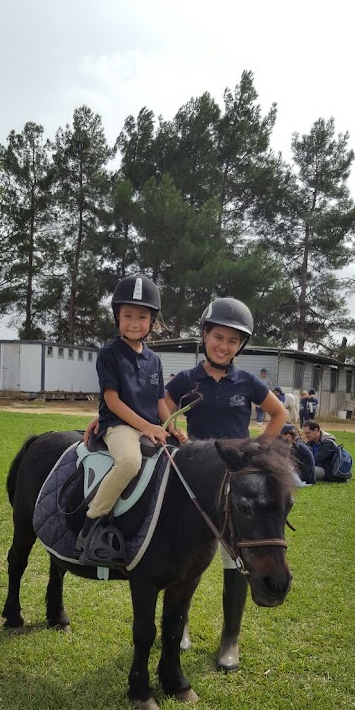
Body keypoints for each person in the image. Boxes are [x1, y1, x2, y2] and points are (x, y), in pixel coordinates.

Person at [165, 297, 287, 671]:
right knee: (184, 559)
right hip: (196, 480)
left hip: (236, 482)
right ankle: (179, 625)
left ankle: (229, 641)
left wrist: (259, 449)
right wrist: (174, 428)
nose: (224, 346)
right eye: (219, 337)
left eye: (233, 341)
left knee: (236, 561)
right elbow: (163, 405)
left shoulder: (247, 381)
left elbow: (279, 413)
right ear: (205, 335)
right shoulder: (187, 379)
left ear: (241, 347)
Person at [77, 274, 183, 566]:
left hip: (149, 427)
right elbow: (112, 401)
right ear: (117, 317)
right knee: (129, 462)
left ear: (152, 321)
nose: (134, 322)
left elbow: (160, 402)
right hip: (120, 426)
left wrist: (172, 427)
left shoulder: (155, 360)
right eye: (127, 315)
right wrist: (147, 427)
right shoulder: (109, 354)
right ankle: (91, 523)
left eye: (142, 316)